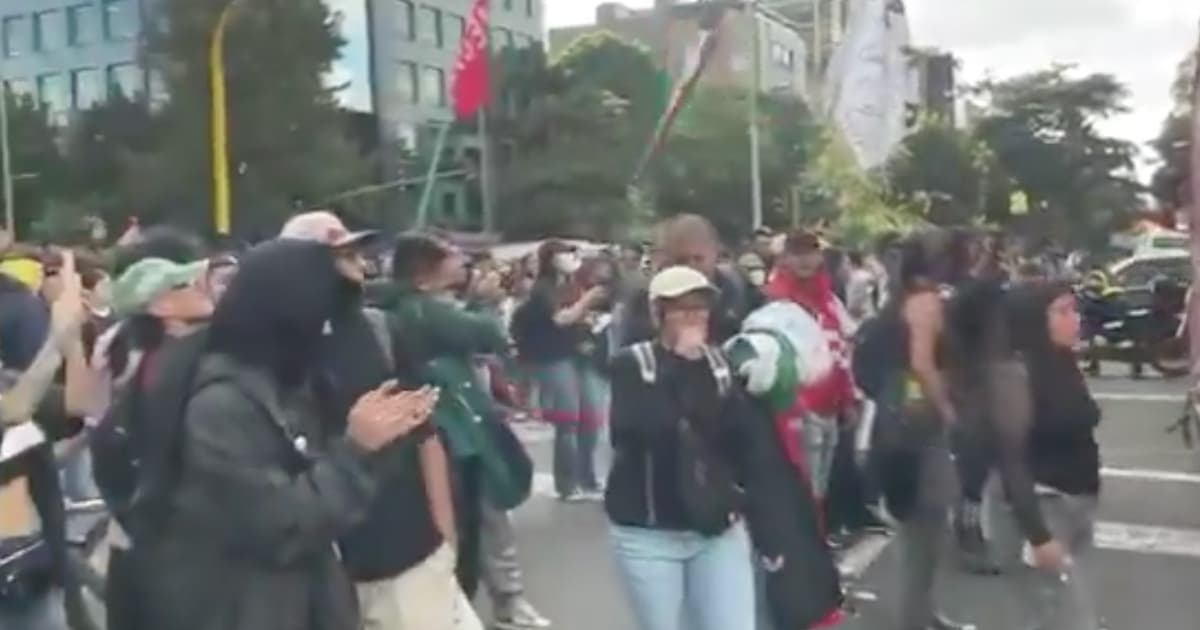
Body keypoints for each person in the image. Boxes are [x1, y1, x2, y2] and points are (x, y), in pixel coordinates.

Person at [133, 239, 433, 630]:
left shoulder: (282, 381)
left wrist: (383, 438)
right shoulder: (221, 405)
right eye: (322, 321)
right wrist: (356, 449)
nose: (328, 335)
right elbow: (278, 524)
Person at [280, 212, 479, 630]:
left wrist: (444, 539)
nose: (360, 264)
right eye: (342, 254)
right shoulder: (274, 350)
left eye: (357, 253)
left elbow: (425, 433)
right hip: (323, 570)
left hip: (408, 555)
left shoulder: (381, 328)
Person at [387, 234, 547, 630]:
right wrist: (484, 302)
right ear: (425, 272)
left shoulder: (415, 307)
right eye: (451, 256)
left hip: (459, 425)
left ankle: (481, 601)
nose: (462, 262)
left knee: (477, 520)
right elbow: (488, 334)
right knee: (483, 519)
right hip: (457, 429)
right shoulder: (425, 310)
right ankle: (502, 599)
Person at [605, 266, 758, 630]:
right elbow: (644, 430)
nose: (693, 316)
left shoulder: (720, 364)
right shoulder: (632, 365)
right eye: (681, 308)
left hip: (716, 529)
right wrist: (682, 364)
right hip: (649, 533)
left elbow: (741, 438)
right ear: (657, 313)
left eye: (700, 307)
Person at [988, 282, 1103, 630]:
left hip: (1075, 500)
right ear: (1035, 321)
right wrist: (1037, 535)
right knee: (1062, 616)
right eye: (1062, 312)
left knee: (1064, 610)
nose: (1075, 319)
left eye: (1074, 310)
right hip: (1042, 505)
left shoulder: (1061, 362)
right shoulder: (1017, 374)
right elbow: (1011, 460)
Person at [0, 251, 96, 630]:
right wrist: (58, 338)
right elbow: (15, 409)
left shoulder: (11, 382)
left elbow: (76, 406)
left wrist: (72, 342)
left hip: (31, 570)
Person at [890, 232, 975, 630]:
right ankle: (914, 616)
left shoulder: (903, 298)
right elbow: (922, 364)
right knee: (926, 522)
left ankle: (922, 612)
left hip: (908, 418)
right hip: (921, 422)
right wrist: (948, 409)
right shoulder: (925, 303)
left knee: (923, 526)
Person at [512, 240, 608, 502]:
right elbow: (562, 318)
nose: (570, 257)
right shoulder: (543, 290)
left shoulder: (574, 285)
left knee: (591, 419)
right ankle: (567, 484)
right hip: (553, 357)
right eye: (564, 253)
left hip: (579, 355)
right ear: (551, 259)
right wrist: (587, 300)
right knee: (568, 420)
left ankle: (587, 478)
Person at [615, 214, 755, 347]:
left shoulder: (739, 292)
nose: (691, 267)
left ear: (715, 253)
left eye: (698, 259)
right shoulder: (643, 300)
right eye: (682, 260)